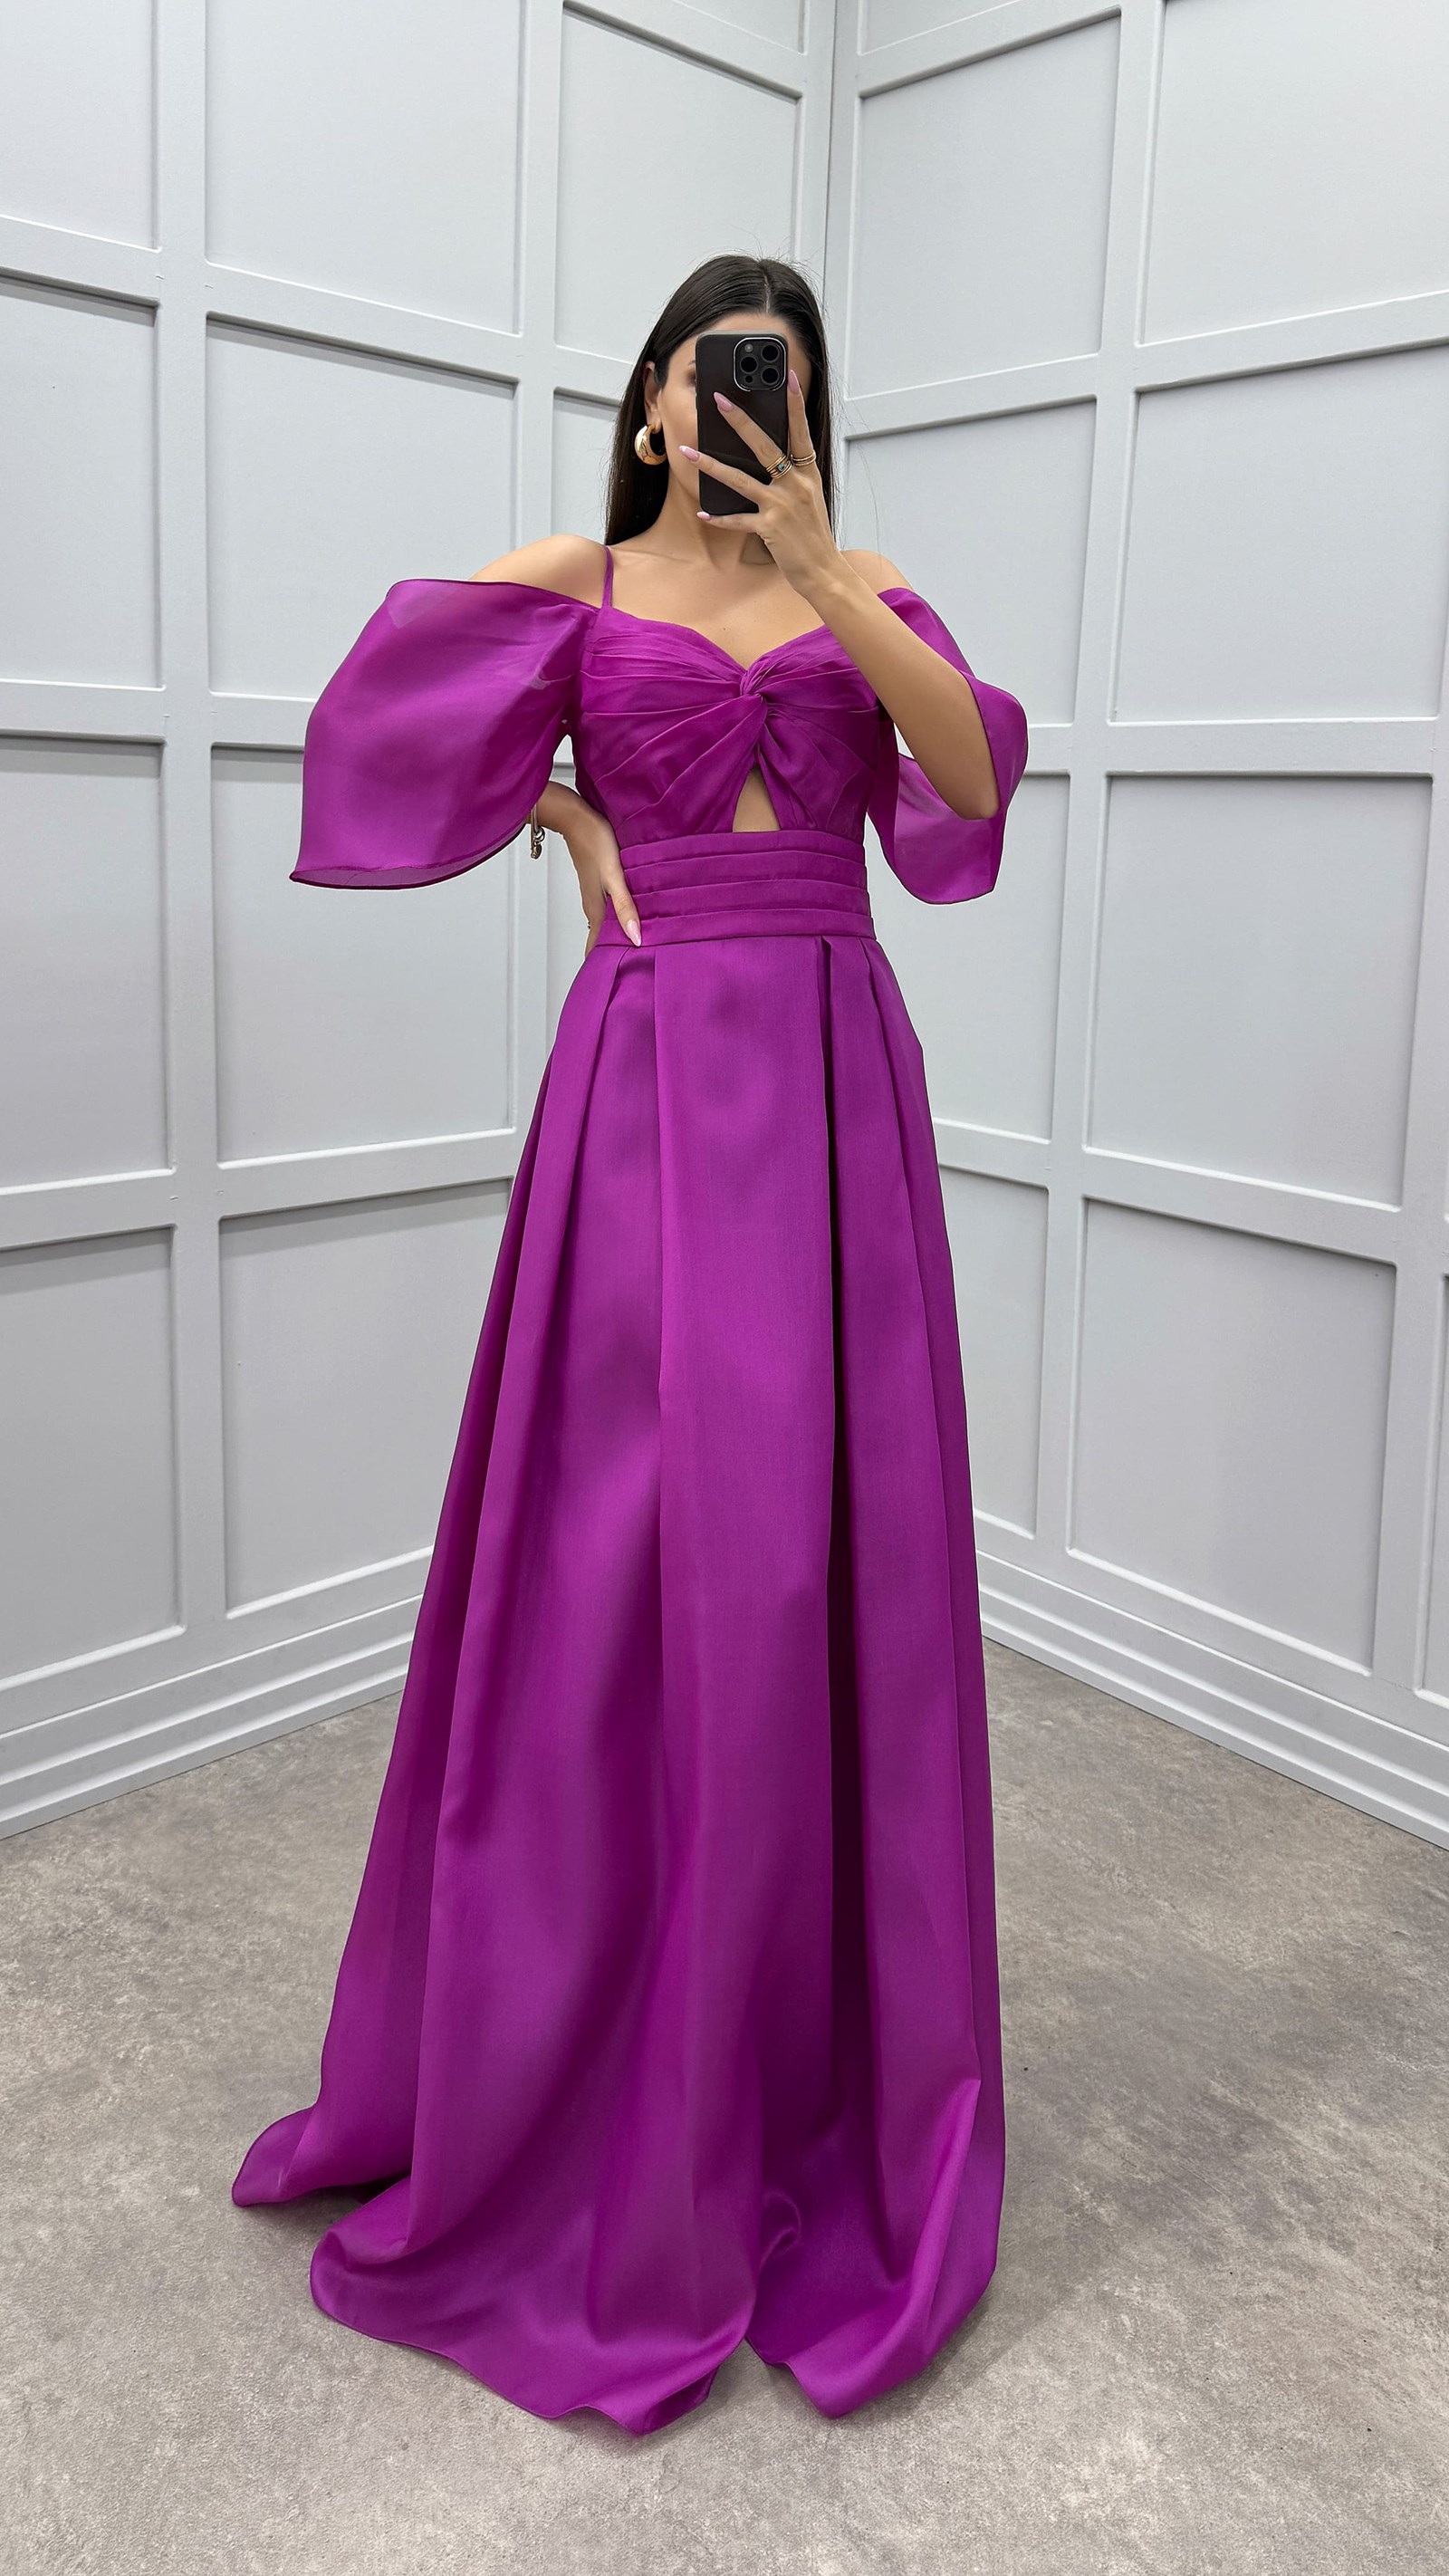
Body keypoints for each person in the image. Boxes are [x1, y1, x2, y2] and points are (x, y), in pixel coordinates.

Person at [232, 253, 1029, 2437]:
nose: (736, 402)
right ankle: (575, 2059)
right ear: (652, 398)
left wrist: (821, 573)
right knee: (616, 1565)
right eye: (707, 371)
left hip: (832, 1087)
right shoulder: (576, 578)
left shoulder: (865, 581)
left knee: (811, 1576)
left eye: (777, 377)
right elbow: (374, 717)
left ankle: (789, 2068)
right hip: (648, 1076)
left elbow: (971, 778)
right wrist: (565, 809)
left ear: (803, 409)